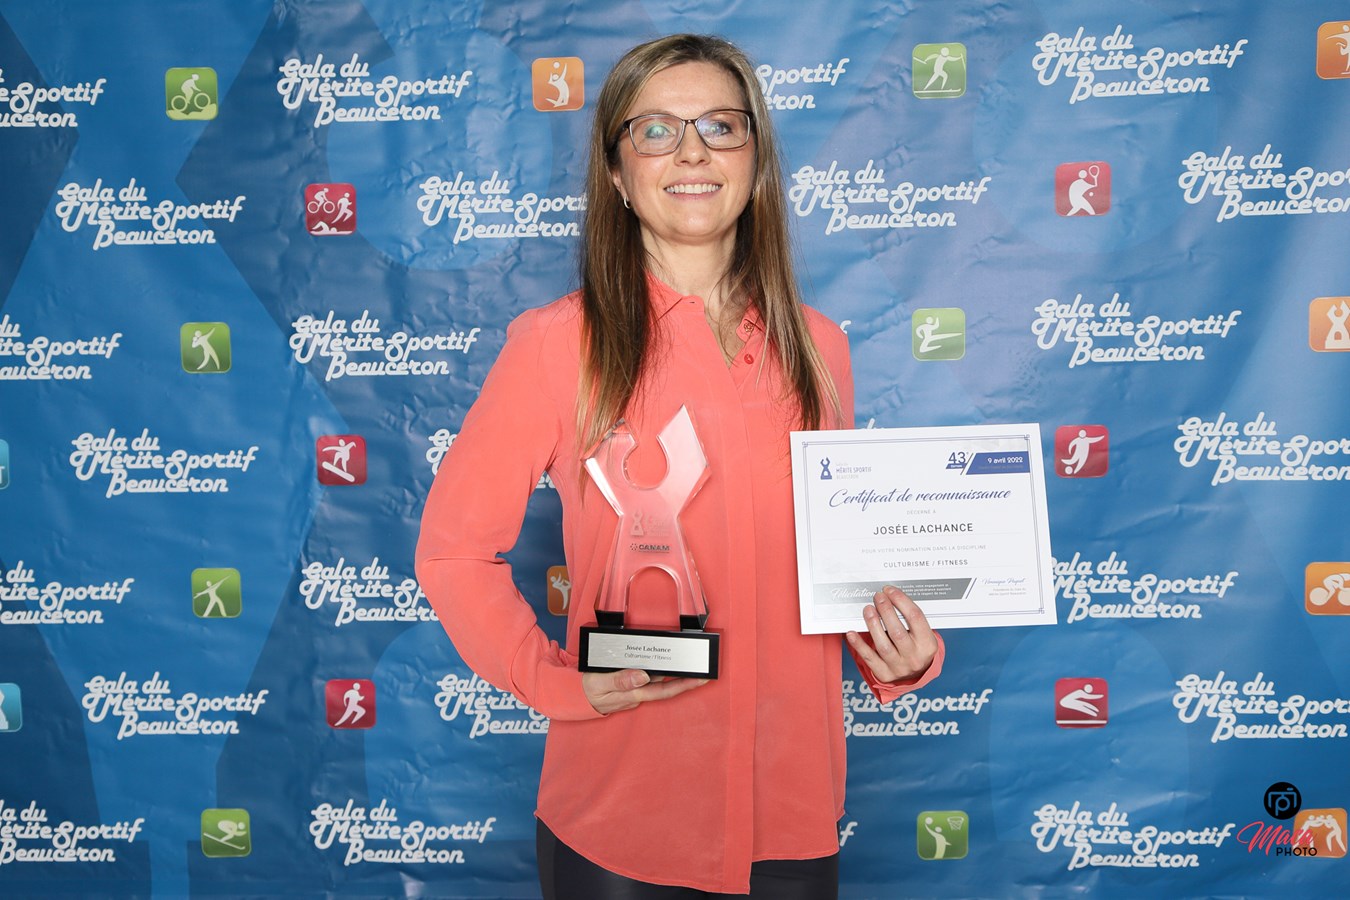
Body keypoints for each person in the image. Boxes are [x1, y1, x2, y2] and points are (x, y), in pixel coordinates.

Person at [417, 33, 944, 898]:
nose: (692, 151)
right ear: (617, 174)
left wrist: (898, 653)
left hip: (793, 813)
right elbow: (452, 554)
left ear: (755, 162)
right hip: (622, 822)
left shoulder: (821, 349)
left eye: (721, 127)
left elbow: (835, 565)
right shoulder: (555, 345)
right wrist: (554, 683)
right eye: (656, 130)